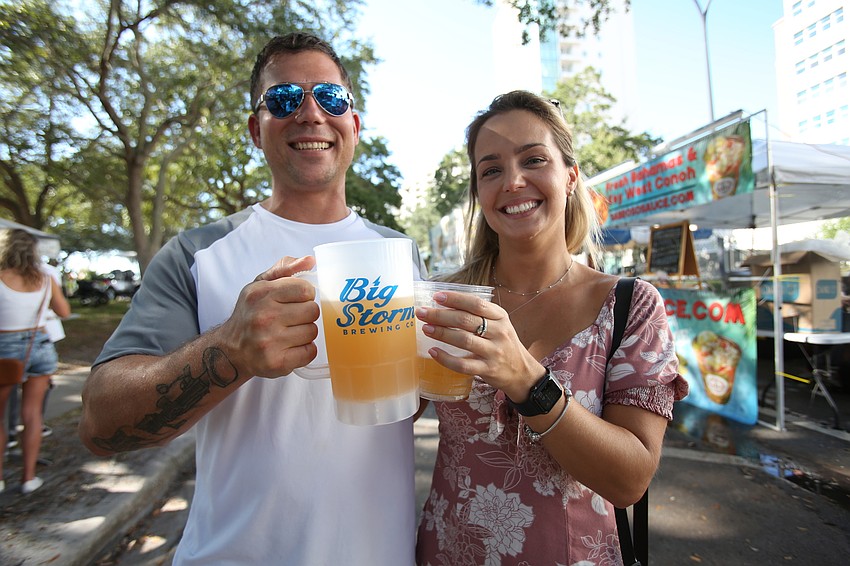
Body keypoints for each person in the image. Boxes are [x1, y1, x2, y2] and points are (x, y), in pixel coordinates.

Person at [78, 33, 424, 565]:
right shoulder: (196, 254)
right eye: (284, 99)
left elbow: (406, 403)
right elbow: (101, 425)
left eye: (331, 99)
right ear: (255, 130)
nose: (310, 114)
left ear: (354, 126)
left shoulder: (400, 254)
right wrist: (229, 352)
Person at [414, 91, 689, 565]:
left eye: (533, 159)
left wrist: (526, 380)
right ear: (480, 194)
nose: (513, 181)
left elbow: (629, 481)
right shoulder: (442, 300)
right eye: (491, 169)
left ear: (570, 176)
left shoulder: (630, 305)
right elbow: (389, 418)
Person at [0, 229, 71, 494]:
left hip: (4, 348)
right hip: (39, 345)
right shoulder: (44, 278)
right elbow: (64, 311)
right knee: (32, 415)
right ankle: (28, 478)